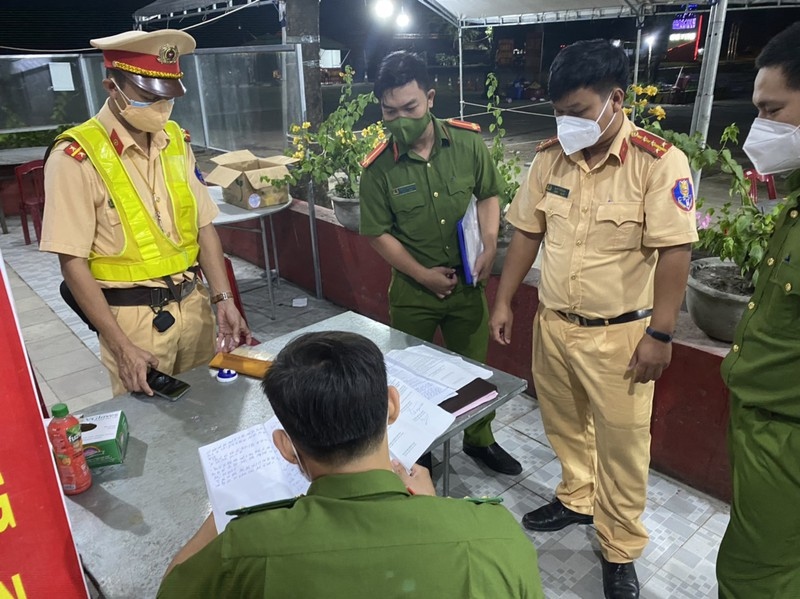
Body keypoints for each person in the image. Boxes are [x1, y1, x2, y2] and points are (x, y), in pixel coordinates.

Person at [489, 39, 697, 599]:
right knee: (562, 424)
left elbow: (676, 252)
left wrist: (661, 334)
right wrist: (506, 299)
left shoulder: (659, 163)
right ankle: (577, 497)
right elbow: (527, 231)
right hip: (554, 325)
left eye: (578, 111)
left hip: (622, 337)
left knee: (624, 448)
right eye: (559, 111)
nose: (567, 122)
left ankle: (620, 544)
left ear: (615, 100)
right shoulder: (549, 157)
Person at [157, 331, 545, 598]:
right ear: (392, 406)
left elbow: (173, 587)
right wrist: (436, 508)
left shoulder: (243, 551)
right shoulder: (497, 536)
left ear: (286, 448)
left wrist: (224, 509)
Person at [40, 30, 250, 397]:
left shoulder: (175, 142)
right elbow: (72, 262)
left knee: (208, 409)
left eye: (167, 96)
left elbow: (204, 228)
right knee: (154, 435)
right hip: (133, 323)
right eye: (148, 96)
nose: (160, 106)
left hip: (195, 308)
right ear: (112, 86)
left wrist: (224, 299)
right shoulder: (76, 158)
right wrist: (121, 345)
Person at [359, 51, 521, 475]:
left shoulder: (466, 143)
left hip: (468, 286)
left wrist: (488, 243)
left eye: (410, 108)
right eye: (389, 112)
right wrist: (422, 276)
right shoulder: (377, 170)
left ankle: (480, 440)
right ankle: (418, 451)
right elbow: (377, 233)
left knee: (475, 372)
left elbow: (489, 193)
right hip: (414, 293)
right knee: (408, 378)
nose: (401, 120)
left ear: (430, 98)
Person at [716, 22, 800, 598]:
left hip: (786, 441)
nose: (760, 130)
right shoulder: (796, 200)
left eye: (773, 110)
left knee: (756, 578)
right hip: (760, 422)